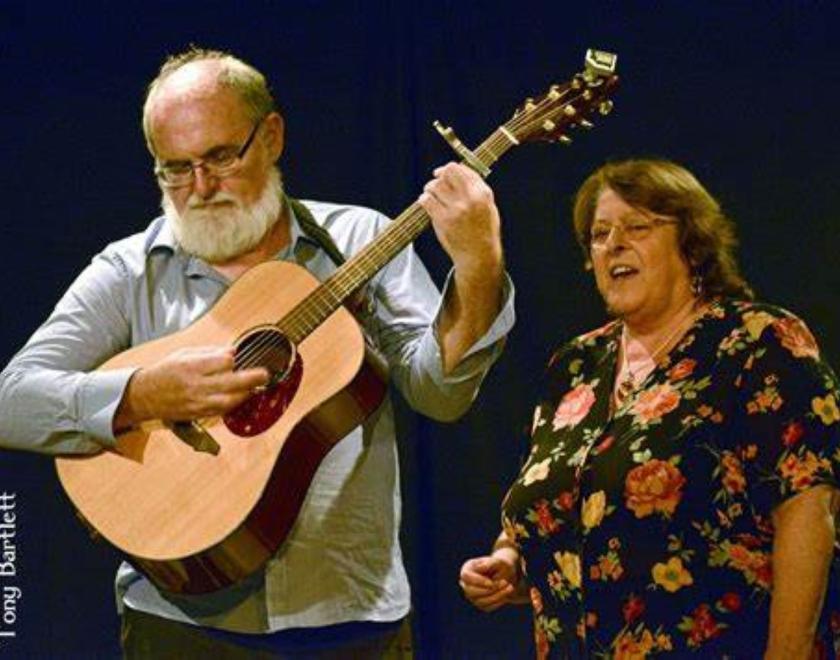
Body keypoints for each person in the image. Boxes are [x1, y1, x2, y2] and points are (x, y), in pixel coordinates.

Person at [0, 47, 515, 658]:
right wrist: (142, 394)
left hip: (349, 615)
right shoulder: (130, 270)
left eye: (221, 157)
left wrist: (479, 267)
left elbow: (441, 395)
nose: (201, 188)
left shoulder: (358, 240)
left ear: (271, 137)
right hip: (178, 623)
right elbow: (10, 401)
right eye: (175, 169)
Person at [459, 159, 840, 658]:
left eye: (637, 227)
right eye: (599, 234)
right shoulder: (575, 364)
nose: (613, 244)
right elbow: (558, 500)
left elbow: (807, 507)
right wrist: (509, 559)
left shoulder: (756, 342)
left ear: (692, 243)